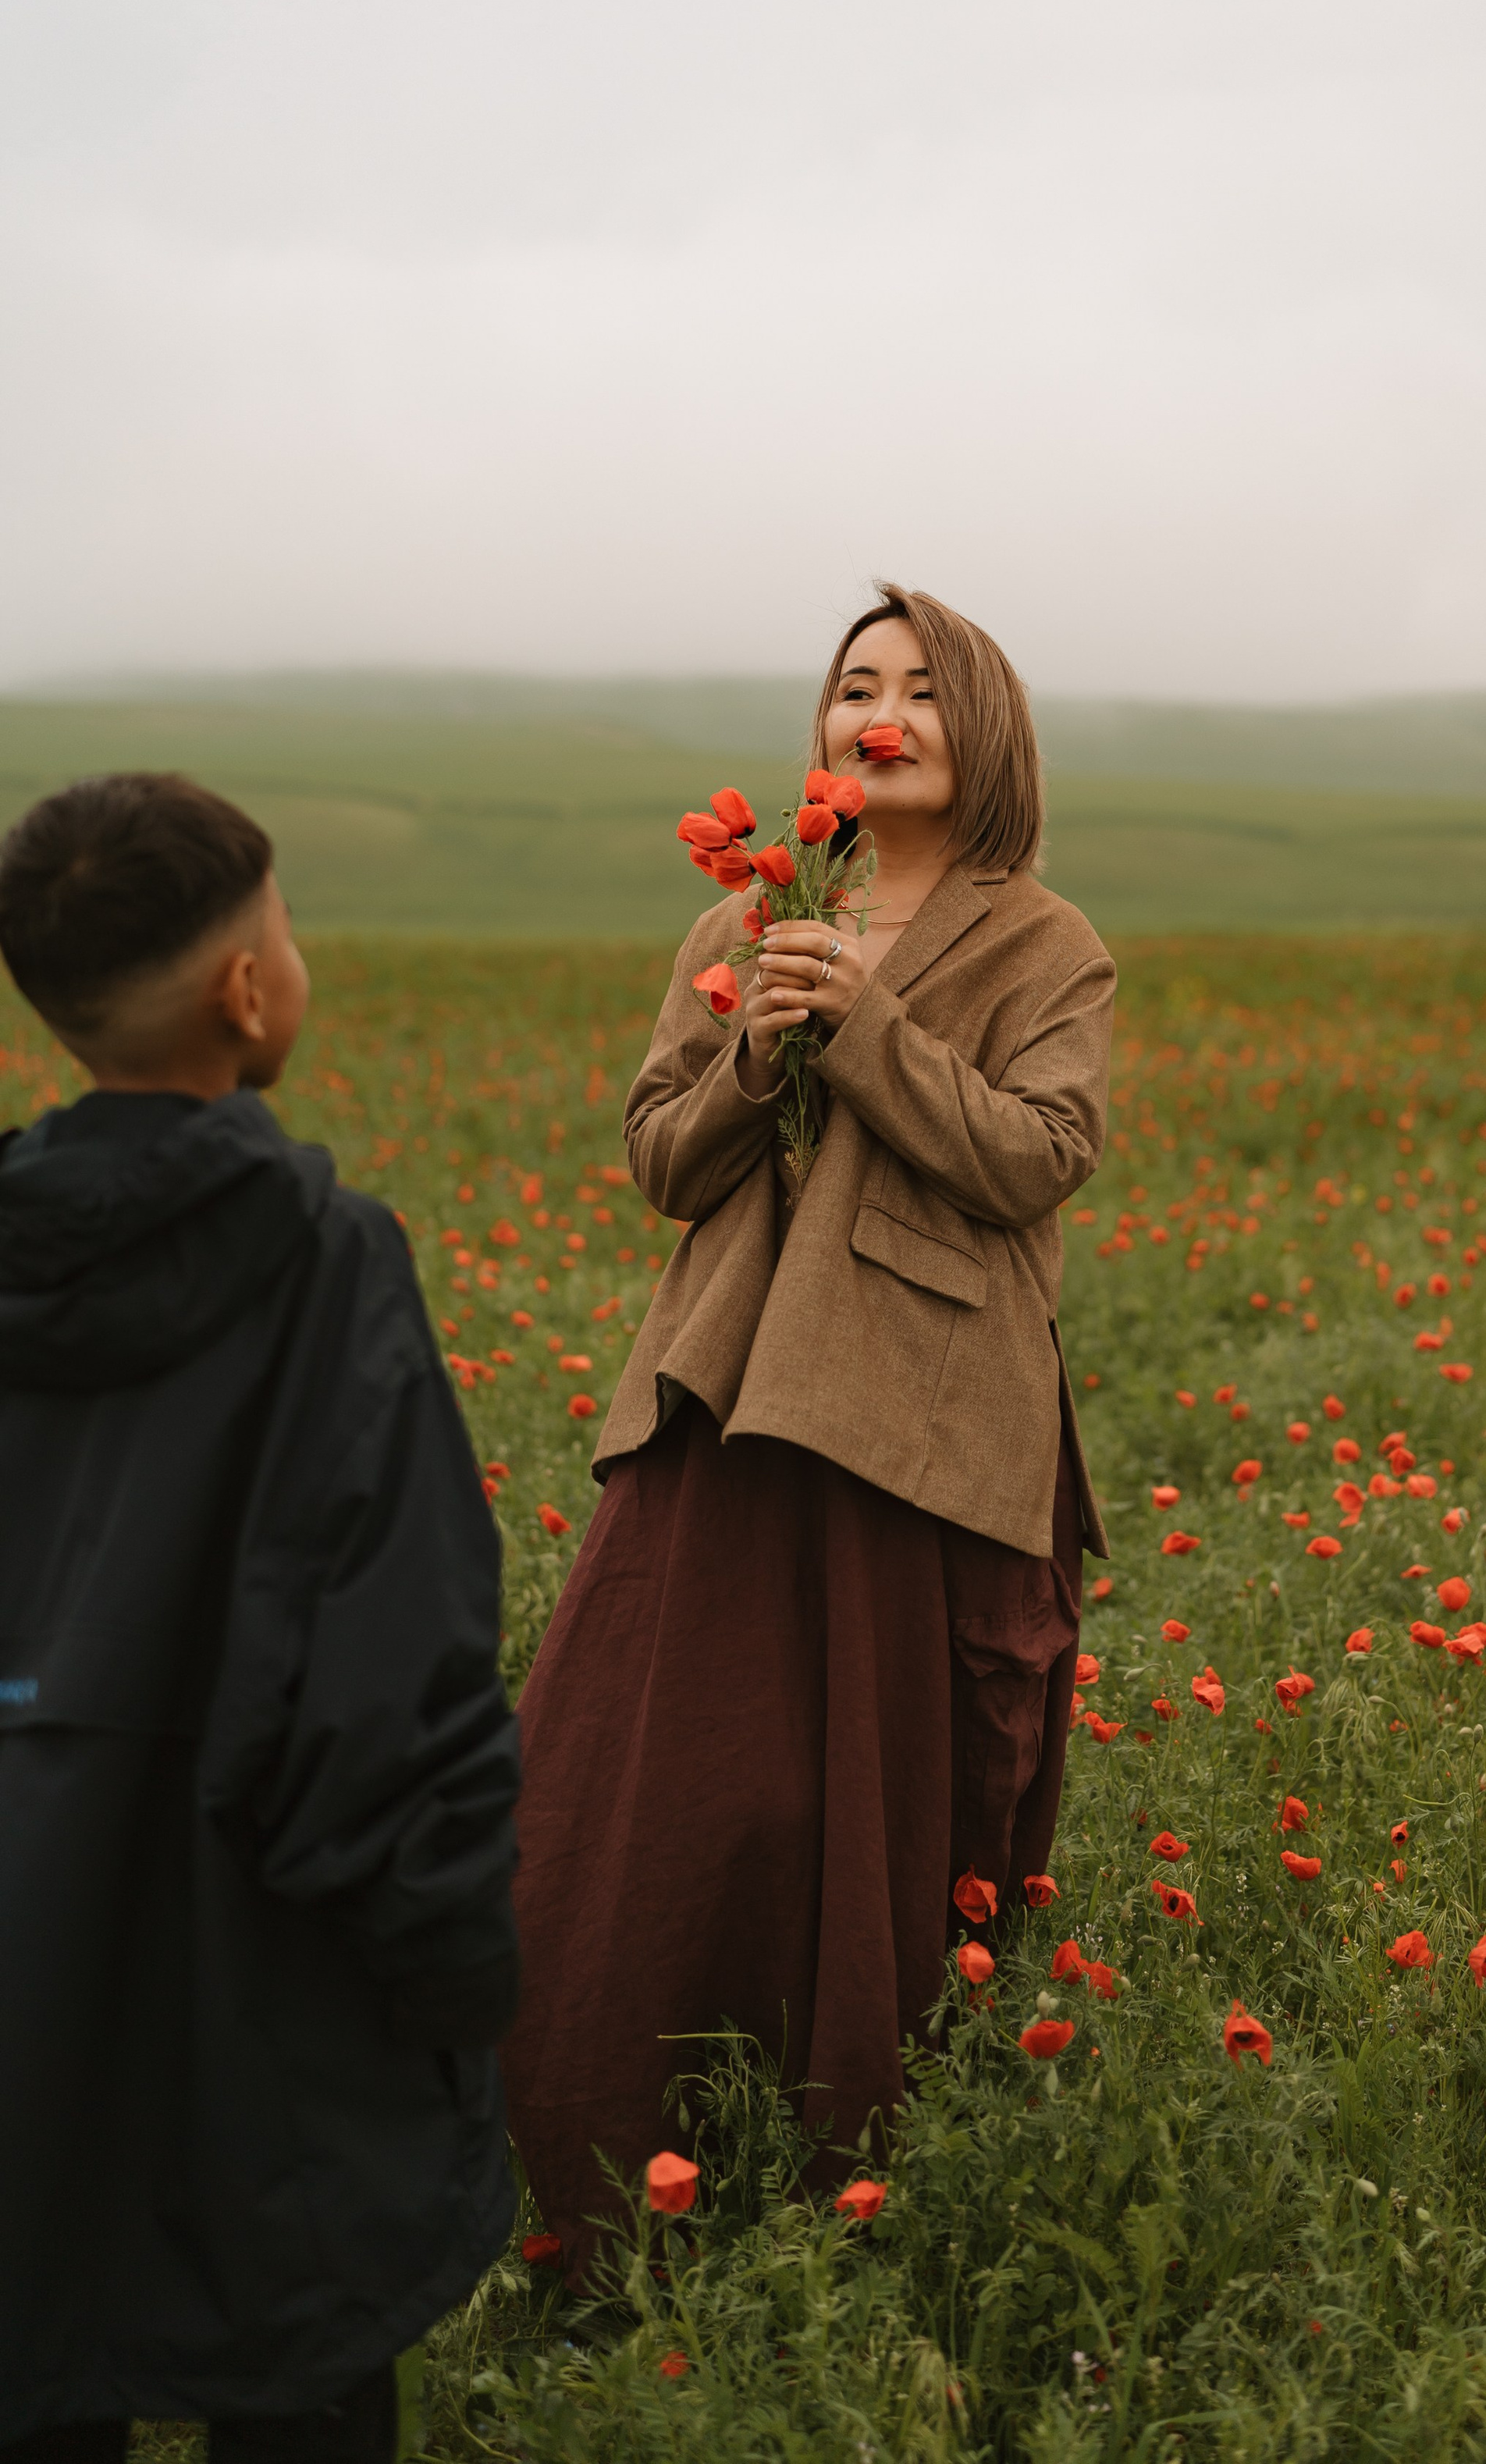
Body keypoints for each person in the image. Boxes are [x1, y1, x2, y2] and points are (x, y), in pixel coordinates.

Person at [502, 583, 1115, 2278]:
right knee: (669, 1786)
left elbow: (1035, 1155)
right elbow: (660, 1163)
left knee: (871, 1793)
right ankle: (607, 2154)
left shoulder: (1041, 939)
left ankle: (852, 2165)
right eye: (857, 688)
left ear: (979, 730)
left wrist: (866, 1026)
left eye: (922, 690)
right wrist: (756, 1052)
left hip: (915, 1410)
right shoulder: (739, 920)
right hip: (724, 1397)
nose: (883, 714)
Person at [0, 775, 520, 2464]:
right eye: (281, 925)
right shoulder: (325, 1264)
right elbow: (398, 1669)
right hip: (272, 1987)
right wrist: (449, 1973)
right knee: (293, 2380)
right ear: (246, 991)